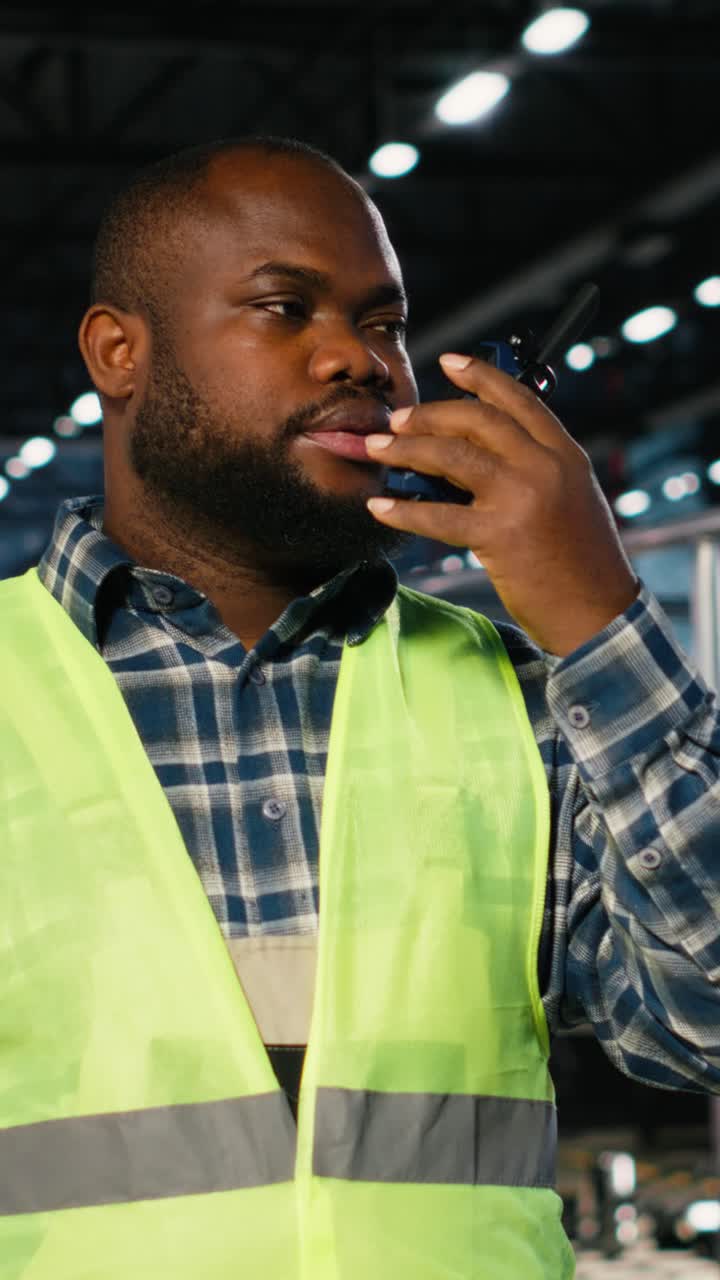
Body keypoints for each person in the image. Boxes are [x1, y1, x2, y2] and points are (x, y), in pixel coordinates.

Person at [1, 135, 718, 1280]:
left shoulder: (528, 703)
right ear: (118, 352)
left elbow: (708, 1018)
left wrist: (600, 619)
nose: (362, 359)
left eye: (385, 323)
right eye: (285, 307)